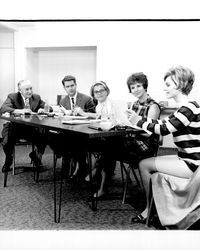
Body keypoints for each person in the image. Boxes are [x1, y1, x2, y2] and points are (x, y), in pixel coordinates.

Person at [127, 66, 200, 224]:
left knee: (144, 164)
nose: (164, 88)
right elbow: (163, 122)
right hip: (188, 158)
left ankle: (149, 210)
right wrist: (142, 122)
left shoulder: (188, 108)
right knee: (145, 163)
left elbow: (164, 129)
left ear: (180, 84)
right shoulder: (187, 107)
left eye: (168, 85)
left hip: (192, 163)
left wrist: (138, 121)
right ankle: (155, 206)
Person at [49, 75, 96, 180]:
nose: (71, 88)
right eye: (68, 86)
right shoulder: (63, 101)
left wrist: (81, 114)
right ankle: (69, 161)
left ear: (76, 85)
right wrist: (62, 115)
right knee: (51, 136)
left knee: (72, 141)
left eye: (72, 85)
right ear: (64, 88)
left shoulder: (87, 99)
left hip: (84, 132)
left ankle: (76, 166)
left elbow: (95, 117)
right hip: (68, 131)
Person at [0, 80, 48, 173]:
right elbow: (4, 108)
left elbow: (47, 107)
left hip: (30, 128)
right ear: (20, 90)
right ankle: (8, 159)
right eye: (27, 89)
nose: (30, 91)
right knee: (6, 141)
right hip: (13, 127)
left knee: (45, 133)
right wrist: (21, 111)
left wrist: (43, 109)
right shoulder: (13, 96)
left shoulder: (36, 97)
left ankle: (36, 155)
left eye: (31, 89)